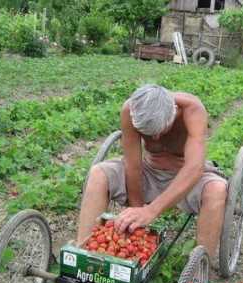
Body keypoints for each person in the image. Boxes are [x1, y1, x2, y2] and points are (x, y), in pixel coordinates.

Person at [77, 84, 227, 258]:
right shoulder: (131, 110)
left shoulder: (192, 109)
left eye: (161, 130)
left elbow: (194, 168)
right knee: (98, 174)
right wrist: (137, 211)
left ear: (173, 110)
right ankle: (83, 253)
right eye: (148, 133)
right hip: (149, 171)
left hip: (184, 176)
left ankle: (202, 265)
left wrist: (151, 211)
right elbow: (133, 166)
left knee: (217, 190)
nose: (155, 138)